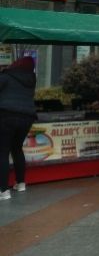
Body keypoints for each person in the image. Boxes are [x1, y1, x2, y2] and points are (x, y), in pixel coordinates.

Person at [0, 57, 37, 200]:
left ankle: (3, 190)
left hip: (6, 115)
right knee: (17, 148)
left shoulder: (6, 76)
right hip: (27, 117)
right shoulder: (31, 79)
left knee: (2, 151)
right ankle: (20, 183)